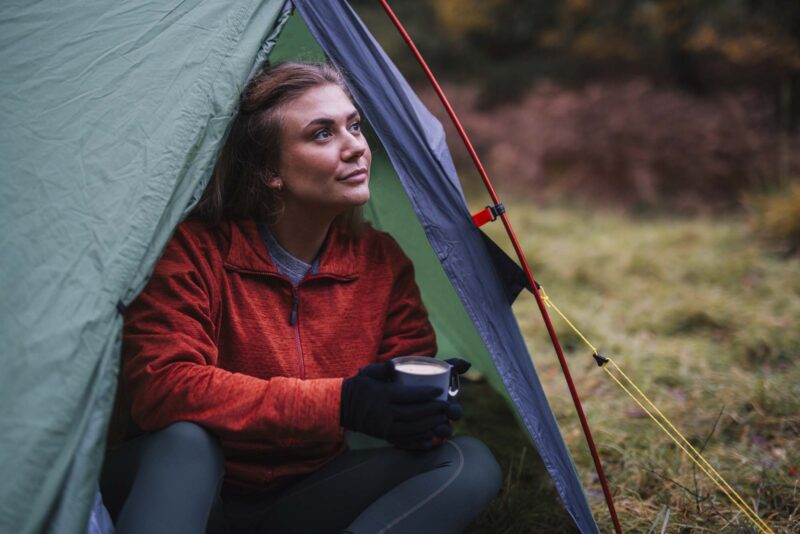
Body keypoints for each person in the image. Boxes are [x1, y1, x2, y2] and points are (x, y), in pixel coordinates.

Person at [101, 62, 501, 534]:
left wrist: (419, 415)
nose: (355, 146)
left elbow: (402, 370)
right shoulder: (193, 251)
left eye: (354, 125)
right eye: (321, 134)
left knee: (465, 461)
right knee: (187, 443)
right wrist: (341, 402)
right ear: (271, 170)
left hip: (303, 496)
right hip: (190, 491)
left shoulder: (380, 262)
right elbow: (163, 388)